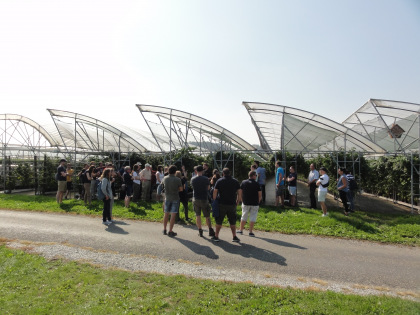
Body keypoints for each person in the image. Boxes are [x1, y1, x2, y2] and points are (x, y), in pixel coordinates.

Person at [212, 168, 241, 242]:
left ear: (223, 173)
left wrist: (214, 199)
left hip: (222, 203)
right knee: (232, 221)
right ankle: (234, 236)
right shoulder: (235, 181)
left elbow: (215, 191)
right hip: (232, 204)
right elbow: (239, 192)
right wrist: (238, 200)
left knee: (219, 220)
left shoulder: (219, 181)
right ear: (230, 173)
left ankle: (216, 236)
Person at [191, 165, 215, 237]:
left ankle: (200, 230)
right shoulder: (205, 179)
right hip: (204, 198)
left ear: (196, 171)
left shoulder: (193, 179)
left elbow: (192, 187)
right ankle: (210, 230)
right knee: (207, 215)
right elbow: (208, 188)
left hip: (196, 198)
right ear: (202, 171)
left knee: (198, 215)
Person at [237, 170, 262, 237]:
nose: (256, 176)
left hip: (246, 202)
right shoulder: (257, 184)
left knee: (244, 216)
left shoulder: (244, 182)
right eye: (255, 175)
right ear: (253, 176)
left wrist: (241, 199)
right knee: (253, 217)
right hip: (254, 203)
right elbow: (260, 194)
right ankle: (250, 232)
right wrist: (258, 201)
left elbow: (240, 192)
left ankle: (241, 230)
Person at [162, 165, 183, 237]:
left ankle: (164, 229)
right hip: (175, 198)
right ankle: (170, 230)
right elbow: (181, 189)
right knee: (173, 215)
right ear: (175, 171)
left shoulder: (165, 178)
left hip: (167, 198)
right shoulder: (178, 179)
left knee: (166, 214)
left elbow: (163, 186)